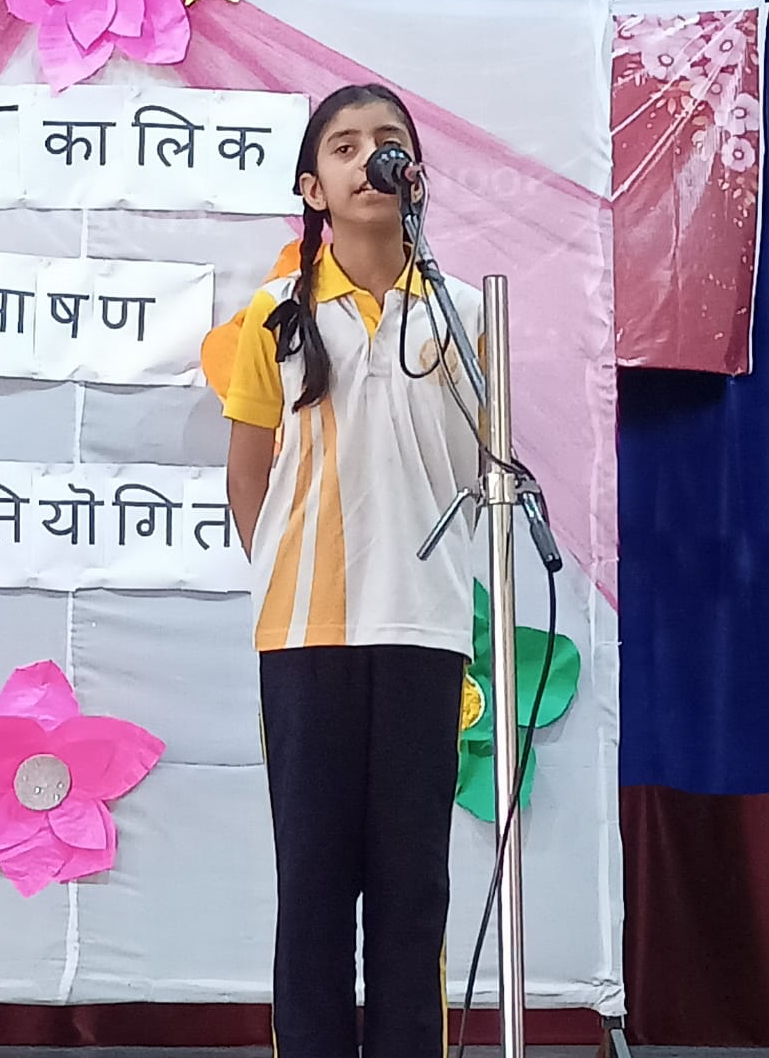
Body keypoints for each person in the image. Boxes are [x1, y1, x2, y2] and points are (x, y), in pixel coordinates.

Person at [223, 83, 483, 1058]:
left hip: (423, 626)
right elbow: (247, 473)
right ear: (312, 187)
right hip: (304, 638)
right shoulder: (273, 317)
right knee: (314, 890)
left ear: (412, 171)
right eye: (343, 145)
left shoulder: (465, 315)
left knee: (414, 891)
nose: (369, 157)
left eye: (388, 141)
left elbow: (480, 466)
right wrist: (285, 572)